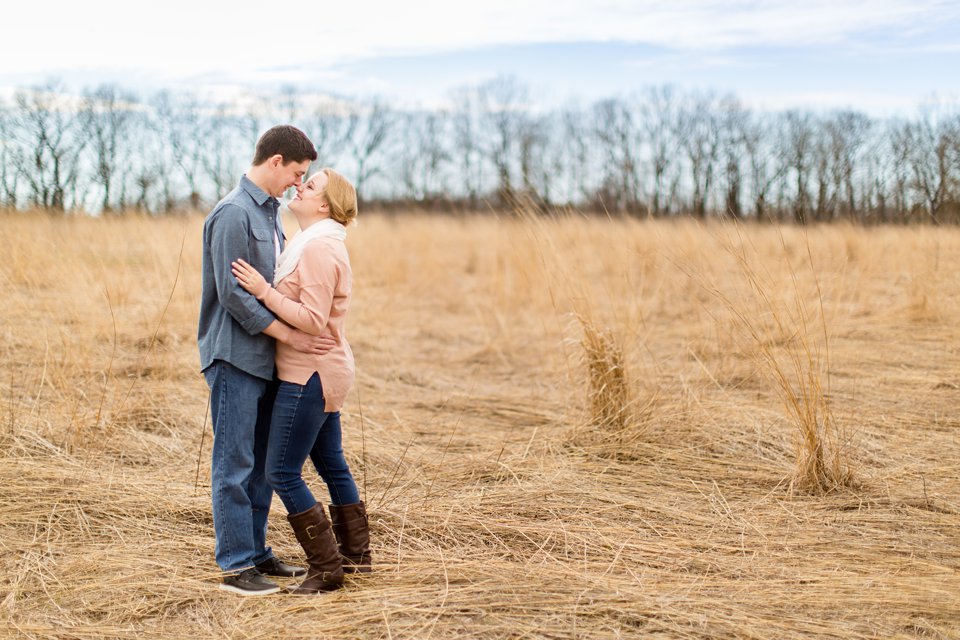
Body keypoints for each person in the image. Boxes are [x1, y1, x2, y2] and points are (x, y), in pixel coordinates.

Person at [198, 125, 336, 596]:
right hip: (234, 356)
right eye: (296, 173)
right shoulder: (234, 214)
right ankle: (236, 567)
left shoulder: (271, 215)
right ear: (275, 161)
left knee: (258, 465)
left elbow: (272, 288)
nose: (298, 184)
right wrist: (291, 338)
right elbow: (235, 295)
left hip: (265, 361)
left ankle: (257, 553)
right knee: (233, 463)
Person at [232, 167, 370, 595]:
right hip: (323, 368)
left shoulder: (318, 251)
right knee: (331, 464)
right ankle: (357, 558)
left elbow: (312, 319)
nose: (299, 186)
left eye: (309, 186)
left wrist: (262, 291)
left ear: (324, 206)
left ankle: (327, 568)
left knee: (281, 471)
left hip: (308, 372)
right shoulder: (312, 244)